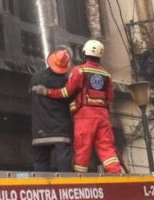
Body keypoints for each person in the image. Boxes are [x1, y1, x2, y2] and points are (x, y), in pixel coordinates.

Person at [32, 39, 122, 173]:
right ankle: (115, 172)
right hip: (103, 116)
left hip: (85, 116)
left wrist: (47, 92)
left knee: (83, 148)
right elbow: (110, 98)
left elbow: (66, 92)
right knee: (106, 147)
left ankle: (80, 176)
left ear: (84, 53)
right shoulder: (106, 75)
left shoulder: (79, 71)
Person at [29, 47, 74, 172]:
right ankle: (66, 184)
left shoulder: (35, 77)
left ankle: (40, 185)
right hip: (60, 131)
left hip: (39, 130)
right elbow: (71, 100)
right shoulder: (66, 82)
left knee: (40, 165)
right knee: (64, 166)